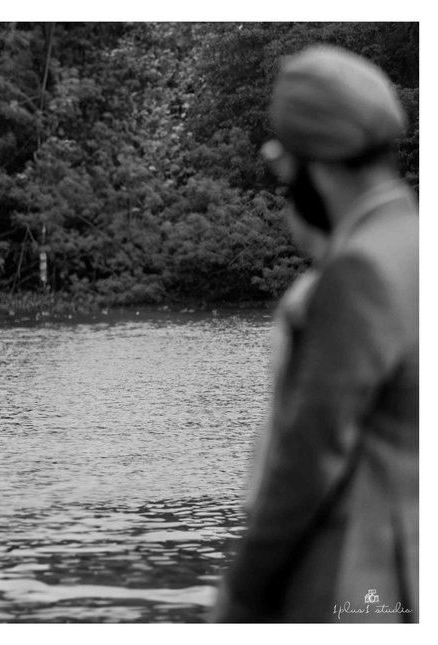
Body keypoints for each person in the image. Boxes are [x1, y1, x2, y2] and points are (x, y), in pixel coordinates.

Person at [214, 45, 418, 622]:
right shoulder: (417, 245)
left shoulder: (359, 272)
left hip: (350, 593)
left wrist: (242, 593)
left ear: (318, 163)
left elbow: (309, 458)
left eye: (286, 166)